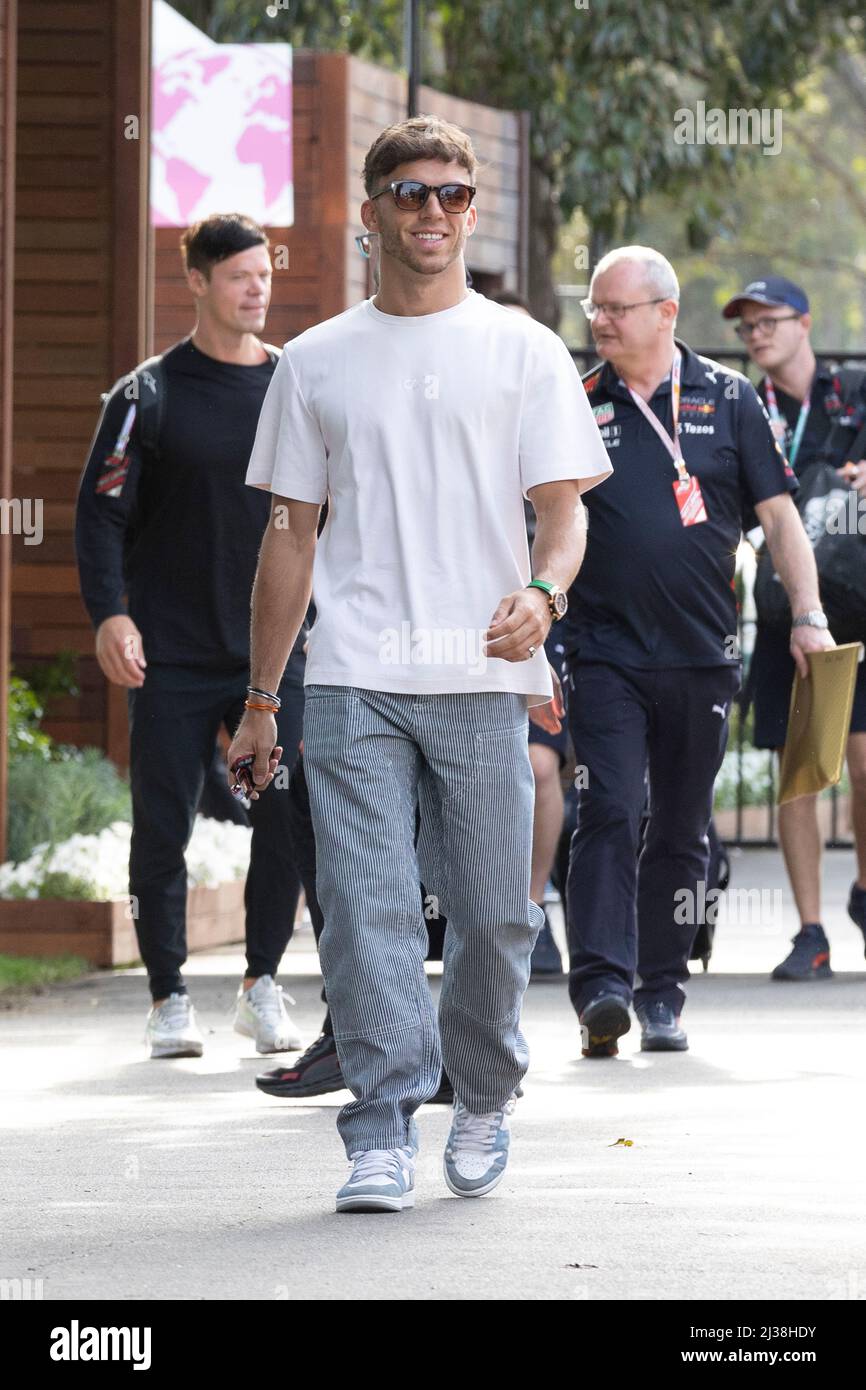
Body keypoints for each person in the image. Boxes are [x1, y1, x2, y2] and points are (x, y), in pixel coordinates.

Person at [229, 114, 611, 1214]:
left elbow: (561, 515)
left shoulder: (523, 349)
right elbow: (289, 537)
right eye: (409, 193)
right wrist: (263, 697)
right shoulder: (314, 362)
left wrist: (542, 595)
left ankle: (481, 1092)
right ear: (371, 210)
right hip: (352, 675)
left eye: (451, 194)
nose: (431, 211)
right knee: (363, 904)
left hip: (484, 679)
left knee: (495, 913)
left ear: (472, 212)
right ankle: (381, 1120)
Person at [561, 246, 834, 1058]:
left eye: (615, 309)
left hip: (702, 653)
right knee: (608, 808)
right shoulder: (577, 404)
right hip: (601, 649)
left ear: (665, 314)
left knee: (680, 827)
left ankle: (661, 993)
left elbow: (781, 520)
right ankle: (602, 988)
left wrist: (809, 614)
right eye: (595, 309)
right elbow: (540, 520)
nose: (599, 322)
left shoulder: (730, 398)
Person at [75, 214, 310, 1060]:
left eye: (264, 275)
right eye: (241, 276)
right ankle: (169, 995)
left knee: (285, 816)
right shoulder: (147, 395)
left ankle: (261, 986)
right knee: (161, 824)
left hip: (273, 655)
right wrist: (111, 611)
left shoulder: (294, 384)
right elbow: (99, 514)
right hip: (171, 649)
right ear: (200, 283)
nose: (258, 289)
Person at [722, 276, 866, 978]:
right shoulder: (746, 406)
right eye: (746, 327)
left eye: (768, 321)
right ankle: (810, 931)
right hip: (785, 611)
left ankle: (864, 895)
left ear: (805, 323)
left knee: (864, 761)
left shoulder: (856, 392)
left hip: (859, 602)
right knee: (798, 769)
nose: (756, 335)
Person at [493, 290, 569, 977]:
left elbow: (569, 524)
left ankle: (531, 906)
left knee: (542, 765)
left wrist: (546, 610)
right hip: (452, 631)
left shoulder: (548, 411)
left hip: (544, 620)